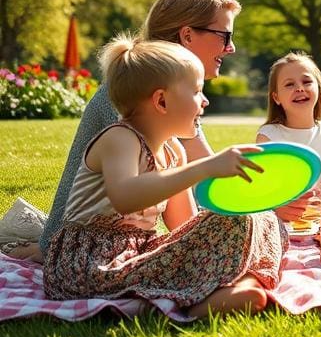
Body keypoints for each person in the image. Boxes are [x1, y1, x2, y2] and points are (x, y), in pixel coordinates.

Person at [43, 37, 286, 317]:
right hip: (88, 265)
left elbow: (184, 226)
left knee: (259, 216)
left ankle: (238, 281)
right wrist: (206, 167)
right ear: (161, 100)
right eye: (197, 91)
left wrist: (236, 206)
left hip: (137, 254)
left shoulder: (173, 153)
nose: (205, 101)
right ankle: (185, 306)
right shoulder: (120, 138)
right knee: (242, 221)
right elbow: (125, 196)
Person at [39, 0, 242, 258]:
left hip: (127, 247)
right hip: (88, 253)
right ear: (187, 35)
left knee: (253, 225)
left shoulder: (178, 100)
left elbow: (210, 182)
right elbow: (195, 178)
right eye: (225, 36)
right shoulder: (132, 99)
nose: (231, 48)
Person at [256, 52, 321, 222]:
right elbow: (263, 188)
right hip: (283, 222)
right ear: (276, 97)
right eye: (289, 84)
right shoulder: (269, 136)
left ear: (319, 88)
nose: (299, 88)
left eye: (307, 82)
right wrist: (278, 207)